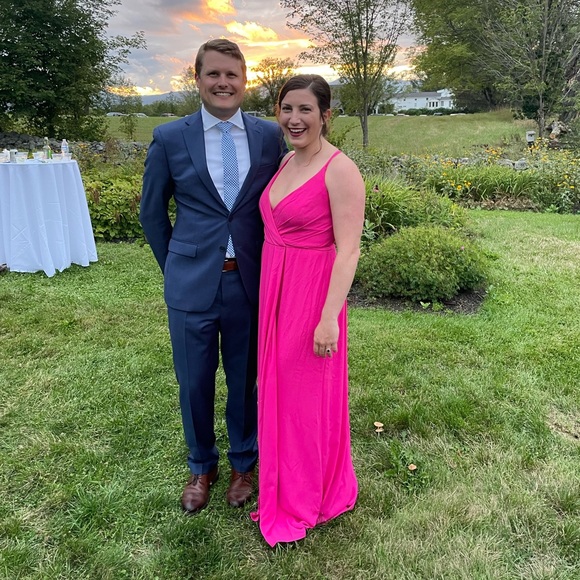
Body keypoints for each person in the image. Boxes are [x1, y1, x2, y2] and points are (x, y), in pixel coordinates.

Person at [139, 39, 287, 514]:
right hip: (192, 281)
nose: (223, 83)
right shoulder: (169, 137)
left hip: (249, 281)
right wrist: (176, 266)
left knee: (244, 380)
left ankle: (244, 463)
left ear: (245, 81)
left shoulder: (268, 136)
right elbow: (151, 214)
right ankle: (201, 465)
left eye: (232, 75)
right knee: (194, 382)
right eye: (214, 74)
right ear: (198, 79)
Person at [250, 74, 365, 546]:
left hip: (311, 295)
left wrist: (328, 318)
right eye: (287, 109)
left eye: (305, 110)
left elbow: (349, 250)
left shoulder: (340, 170)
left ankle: (308, 493)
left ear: (325, 115)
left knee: (305, 398)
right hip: (275, 290)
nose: (294, 119)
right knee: (277, 388)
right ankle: (280, 482)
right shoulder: (286, 161)